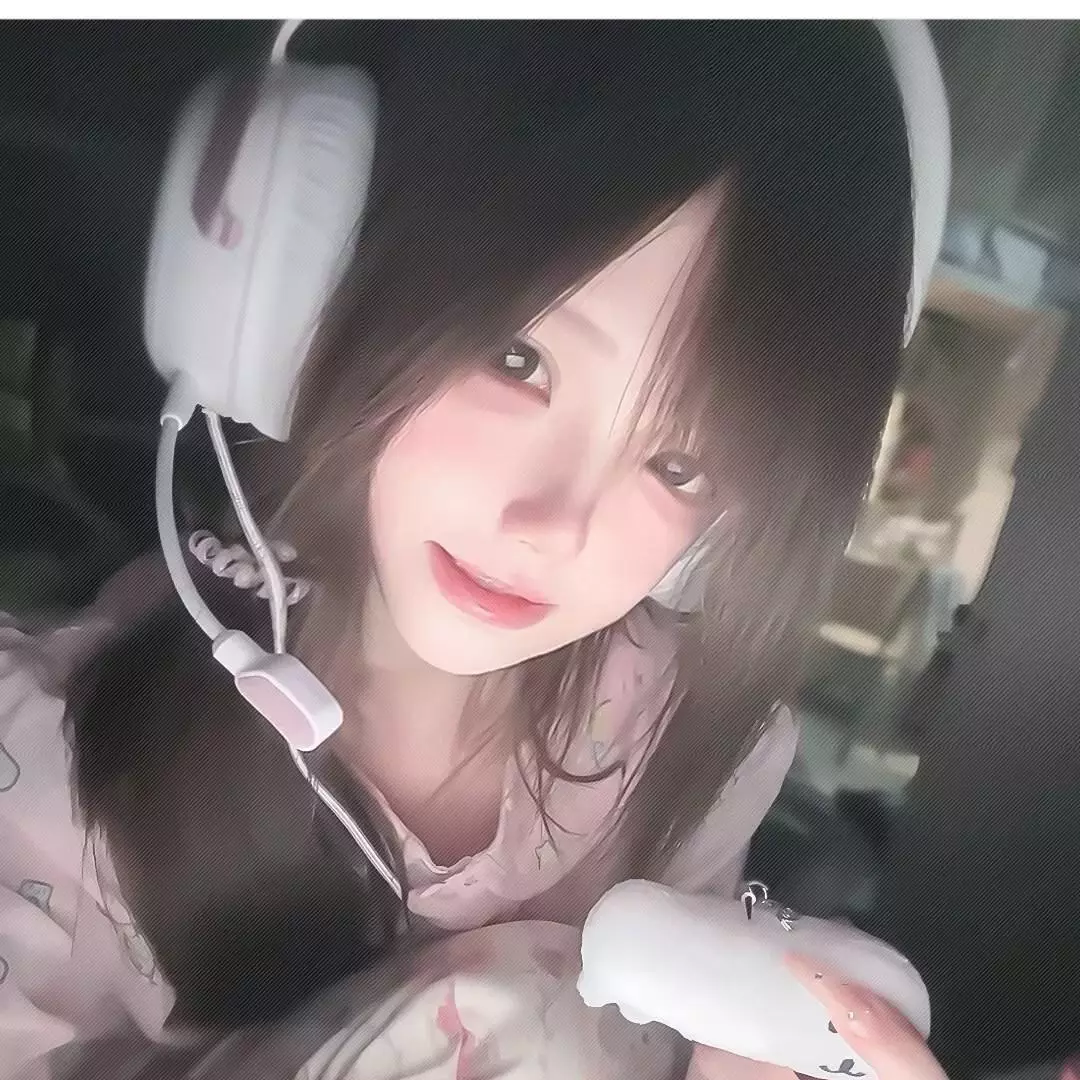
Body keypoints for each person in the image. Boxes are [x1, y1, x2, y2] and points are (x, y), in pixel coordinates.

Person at [0, 21, 937, 1078]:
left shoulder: (681, 753)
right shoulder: (51, 777)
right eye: (521, 358)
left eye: (680, 465)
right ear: (315, 278)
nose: (554, 522)